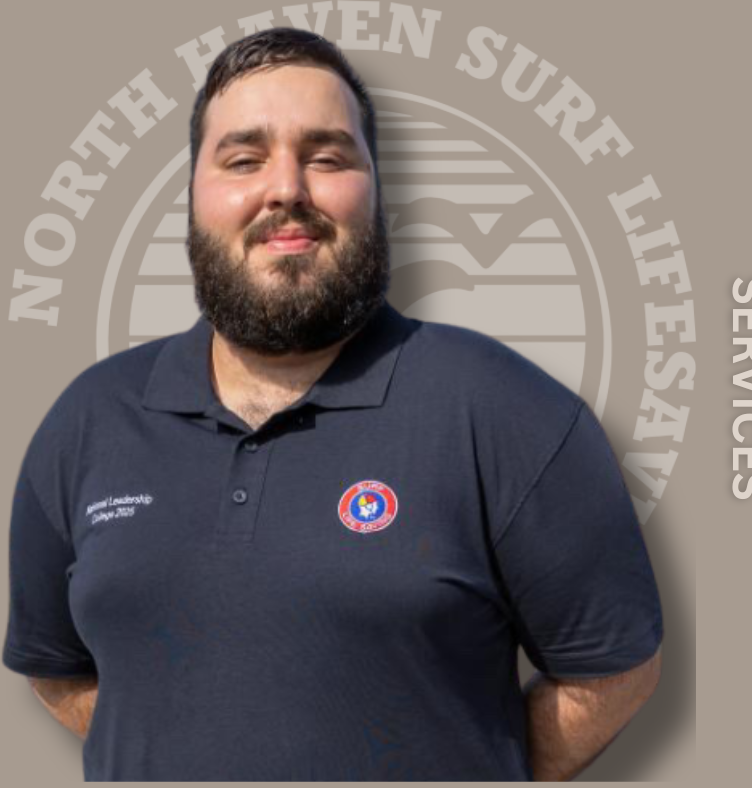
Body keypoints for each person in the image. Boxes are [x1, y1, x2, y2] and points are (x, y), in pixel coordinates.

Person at [3, 28, 663, 781]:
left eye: (326, 156)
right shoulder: (89, 419)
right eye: (244, 159)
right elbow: (56, 670)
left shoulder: (504, 410)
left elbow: (612, 673)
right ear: (194, 196)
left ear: (378, 188)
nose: (286, 188)